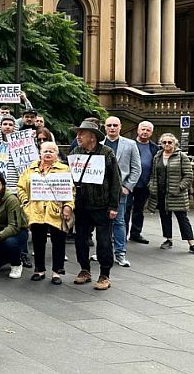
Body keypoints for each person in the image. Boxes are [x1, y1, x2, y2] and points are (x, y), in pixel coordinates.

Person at [70, 120, 121, 291]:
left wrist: (114, 206)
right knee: (80, 240)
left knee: (104, 241)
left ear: (92, 137)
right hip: (82, 205)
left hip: (101, 205)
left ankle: (104, 274)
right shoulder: (76, 151)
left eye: (81, 134)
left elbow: (115, 181)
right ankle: (84, 269)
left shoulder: (107, 153)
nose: (78, 137)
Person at [17, 142, 74, 284]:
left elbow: (71, 191)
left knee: (59, 241)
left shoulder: (64, 169)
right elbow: (21, 187)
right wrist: (25, 202)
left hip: (56, 211)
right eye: (45, 151)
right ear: (40, 153)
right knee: (38, 241)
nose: (48, 153)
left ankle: (57, 272)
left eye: (52, 151)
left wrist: (68, 206)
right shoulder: (31, 168)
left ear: (56, 154)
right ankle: (39, 270)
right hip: (36, 211)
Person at [148, 133, 194, 256]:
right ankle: (168, 239)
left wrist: (179, 188)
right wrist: (152, 186)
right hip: (161, 193)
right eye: (164, 142)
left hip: (177, 194)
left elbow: (188, 175)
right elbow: (153, 174)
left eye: (170, 142)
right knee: (165, 216)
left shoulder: (181, 156)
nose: (167, 145)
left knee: (183, 219)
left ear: (175, 144)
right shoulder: (158, 156)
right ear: (161, 144)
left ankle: (192, 244)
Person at [101, 116, 141, 268]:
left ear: (120, 127)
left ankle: (120, 253)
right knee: (102, 222)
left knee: (119, 222)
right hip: (101, 191)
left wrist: (127, 187)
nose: (112, 128)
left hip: (121, 190)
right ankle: (102, 251)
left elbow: (136, 168)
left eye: (115, 125)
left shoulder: (130, 144)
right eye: (109, 125)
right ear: (105, 127)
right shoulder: (99, 143)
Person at [129, 121, 159, 244]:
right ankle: (120, 234)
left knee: (139, 210)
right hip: (128, 183)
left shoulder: (154, 148)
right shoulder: (129, 144)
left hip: (144, 184)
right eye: (143, 129)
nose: (145, 132)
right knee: (124, 210)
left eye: (148, 130)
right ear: (138, 130)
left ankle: (136, 233)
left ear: (151, 133)